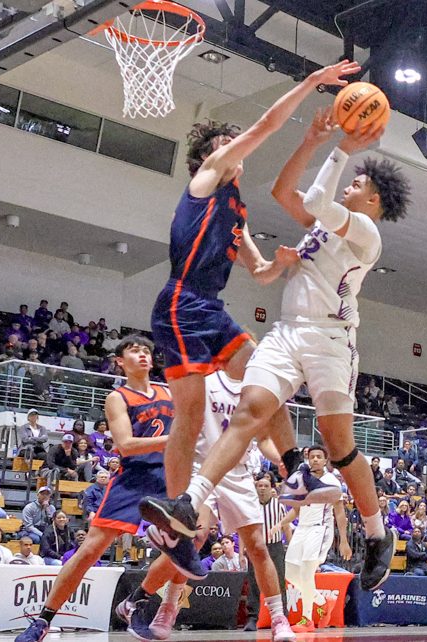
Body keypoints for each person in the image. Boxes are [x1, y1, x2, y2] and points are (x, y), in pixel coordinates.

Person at [142, 95, 407, 594]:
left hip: (332, 339)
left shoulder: (365, 231)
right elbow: (289, 190)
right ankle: (195, 500)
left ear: (372, 200)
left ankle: (376, 532)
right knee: (251, 411)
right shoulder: (319, 226)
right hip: (287, 331)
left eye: (359, 184)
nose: (351, 184)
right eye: (350, 178)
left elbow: (314, 203)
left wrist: (341, 149)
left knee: (339, 445)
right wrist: (311, 141)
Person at [15, 335, 180, 642]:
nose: (143, 355)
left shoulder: (168, 392)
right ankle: (43, 620)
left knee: (186, 547)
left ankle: (137, 602)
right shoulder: (118, 397)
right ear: (120, 361)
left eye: (147, 350)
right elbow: (126, 445)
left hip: (168, 477)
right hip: (133, 477)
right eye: (134, 350)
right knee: (90, 551)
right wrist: (174, 439)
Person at [127, 360, 295, 642]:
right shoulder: (207, 381)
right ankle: (168, 608)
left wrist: (278, 457)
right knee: (191, 539)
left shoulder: (257, 388)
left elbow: (264, 438)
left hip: (239, 474)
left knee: (257, 546)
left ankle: (279, 618)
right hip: (203, 467)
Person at [275, 445, 352, 633]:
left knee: (307, 573)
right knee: (290, 573)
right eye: (312, 456)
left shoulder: (331, 481)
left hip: (320, 530)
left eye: (319, 457)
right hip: (301, 529)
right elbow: (297, 509)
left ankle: (307, 619)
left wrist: (343, 540)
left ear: (325, 460)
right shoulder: (303, 480)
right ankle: (323, 601)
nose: (315, 459)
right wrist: (280, 524)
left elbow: (340, 514)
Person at [247, 474, 291, 631]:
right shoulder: (251, 505)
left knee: (279, 582)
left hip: (275, 547)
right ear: (256, 488)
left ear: (272, 488)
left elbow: (286, 526)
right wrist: (241, 554)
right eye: (260, 485)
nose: (263, 488)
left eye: (266, 485)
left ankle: (282, 616)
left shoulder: (278, 505)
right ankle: (252, 618)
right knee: (253, 582)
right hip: (255, 548)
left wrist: (290, 545)